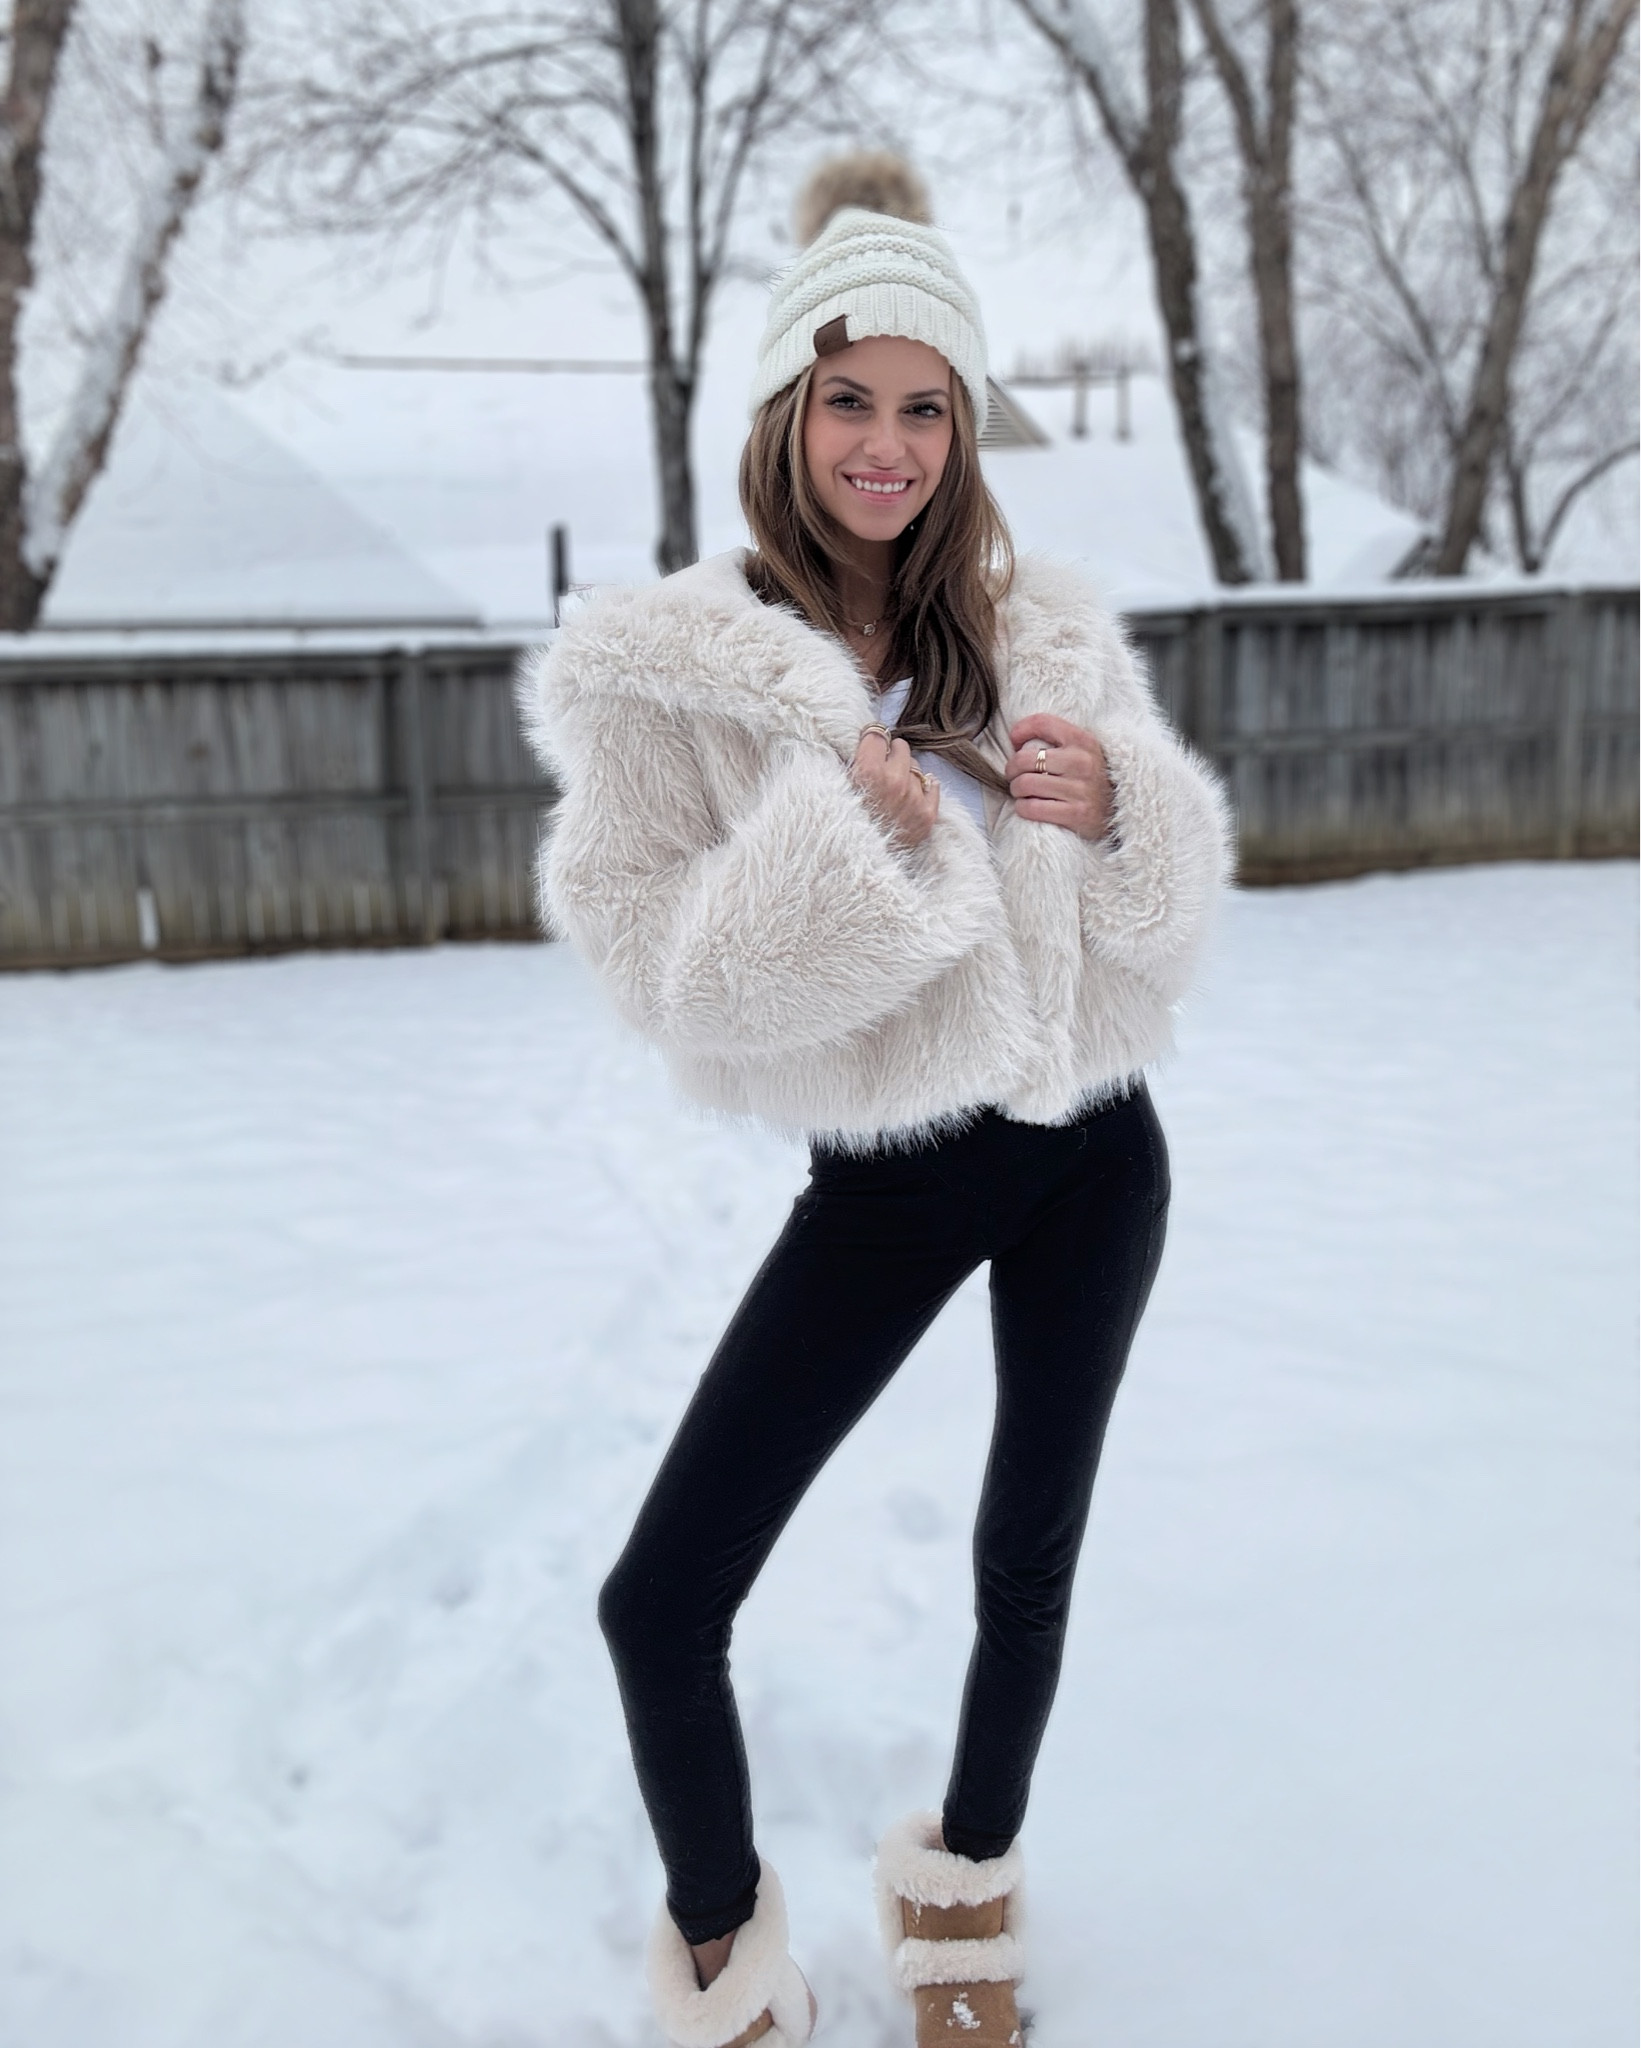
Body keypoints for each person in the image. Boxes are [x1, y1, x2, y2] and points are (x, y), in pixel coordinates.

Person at [522, 152, 1231, 2048]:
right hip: (891, 1179)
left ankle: (967, 1894)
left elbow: (1162, 939)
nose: (888, 444)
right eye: (851, 398)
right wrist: (846, 841)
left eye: (928, 407)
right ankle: (721, 1952)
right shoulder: (675, 674)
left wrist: (1126, 814)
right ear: (784, 407)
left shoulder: (1040, 628)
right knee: (658, 1600)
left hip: (1094, 1155)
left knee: (1030, 1557)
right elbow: (665, 975)